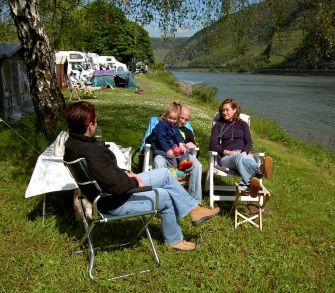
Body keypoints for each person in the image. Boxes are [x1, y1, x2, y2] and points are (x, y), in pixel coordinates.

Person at [63, 101, 220, 251]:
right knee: (164, 196)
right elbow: (114, 185)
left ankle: (194, 209)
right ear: (90, 125)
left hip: (112, 191)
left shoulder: (72, 144)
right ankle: (174, 240)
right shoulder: (92, 152)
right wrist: (133, 181)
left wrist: (127, 173)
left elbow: (106, 174)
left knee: (165, 174)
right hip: (115, 200)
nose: (97, 122)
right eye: (96, 119)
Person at [209, 98, 273, 197]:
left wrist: (245, 151)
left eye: (227, 110)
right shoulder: (218, 125)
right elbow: (212, 145)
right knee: (241, 157)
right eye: (222, 110)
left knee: (242, 157)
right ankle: (259, 171)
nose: (224, 112)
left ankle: (246, 184)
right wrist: (227, 152)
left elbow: (249, 143)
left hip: (243, 155)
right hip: (226, 158)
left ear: (234, 110)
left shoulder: (243, 124)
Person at [152, 104, 203, 204]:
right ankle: (162, 201)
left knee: (197, 165)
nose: (183, 121)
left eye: (186, 119)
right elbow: (155, 139)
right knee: (159, 161)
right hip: (163, 153)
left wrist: (185, 144)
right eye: (181, 118)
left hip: (180, 153)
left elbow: (194, 147)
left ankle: (195, 202)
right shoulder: (162, 125)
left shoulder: (187, 131)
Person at [150, 102, 192, 170]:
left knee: (184, 150)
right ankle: (173, 170)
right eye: (170, 118)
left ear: (177, 119)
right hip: (160, 148)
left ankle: (183, 163)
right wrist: (167, 150)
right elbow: (161, 139)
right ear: (166, 116)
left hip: (170, 146)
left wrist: (181, 144)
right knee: (172, 158)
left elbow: (177, 135)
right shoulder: (162, 126)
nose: (172, 121)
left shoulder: (174, 125)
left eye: (174, 119)